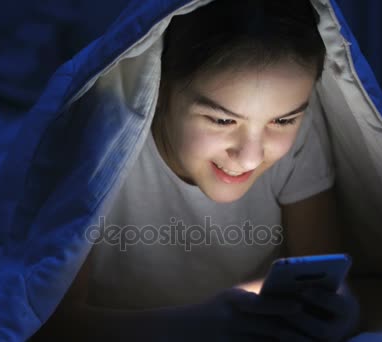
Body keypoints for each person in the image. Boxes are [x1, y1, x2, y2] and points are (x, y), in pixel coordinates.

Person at [32, 0, 359, 340]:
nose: (250, 157)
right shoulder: (104, 139)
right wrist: (199, 326)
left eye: (283, 120)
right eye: (221, 119)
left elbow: (323, 275)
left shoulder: (301, 132)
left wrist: (339, 311)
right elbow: (45, 322)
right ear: (159, 88)